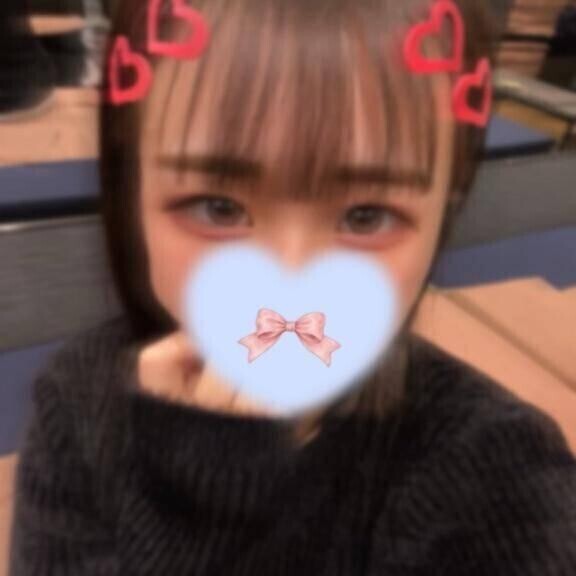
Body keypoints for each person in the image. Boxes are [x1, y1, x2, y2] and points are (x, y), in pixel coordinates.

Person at [9, 0, 576, 574]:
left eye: (365, 217)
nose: (289, 283)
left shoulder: (501, 470)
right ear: (132, 193)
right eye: (218, 207)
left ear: (443, 216)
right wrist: (200, 512)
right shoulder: (77, 407)